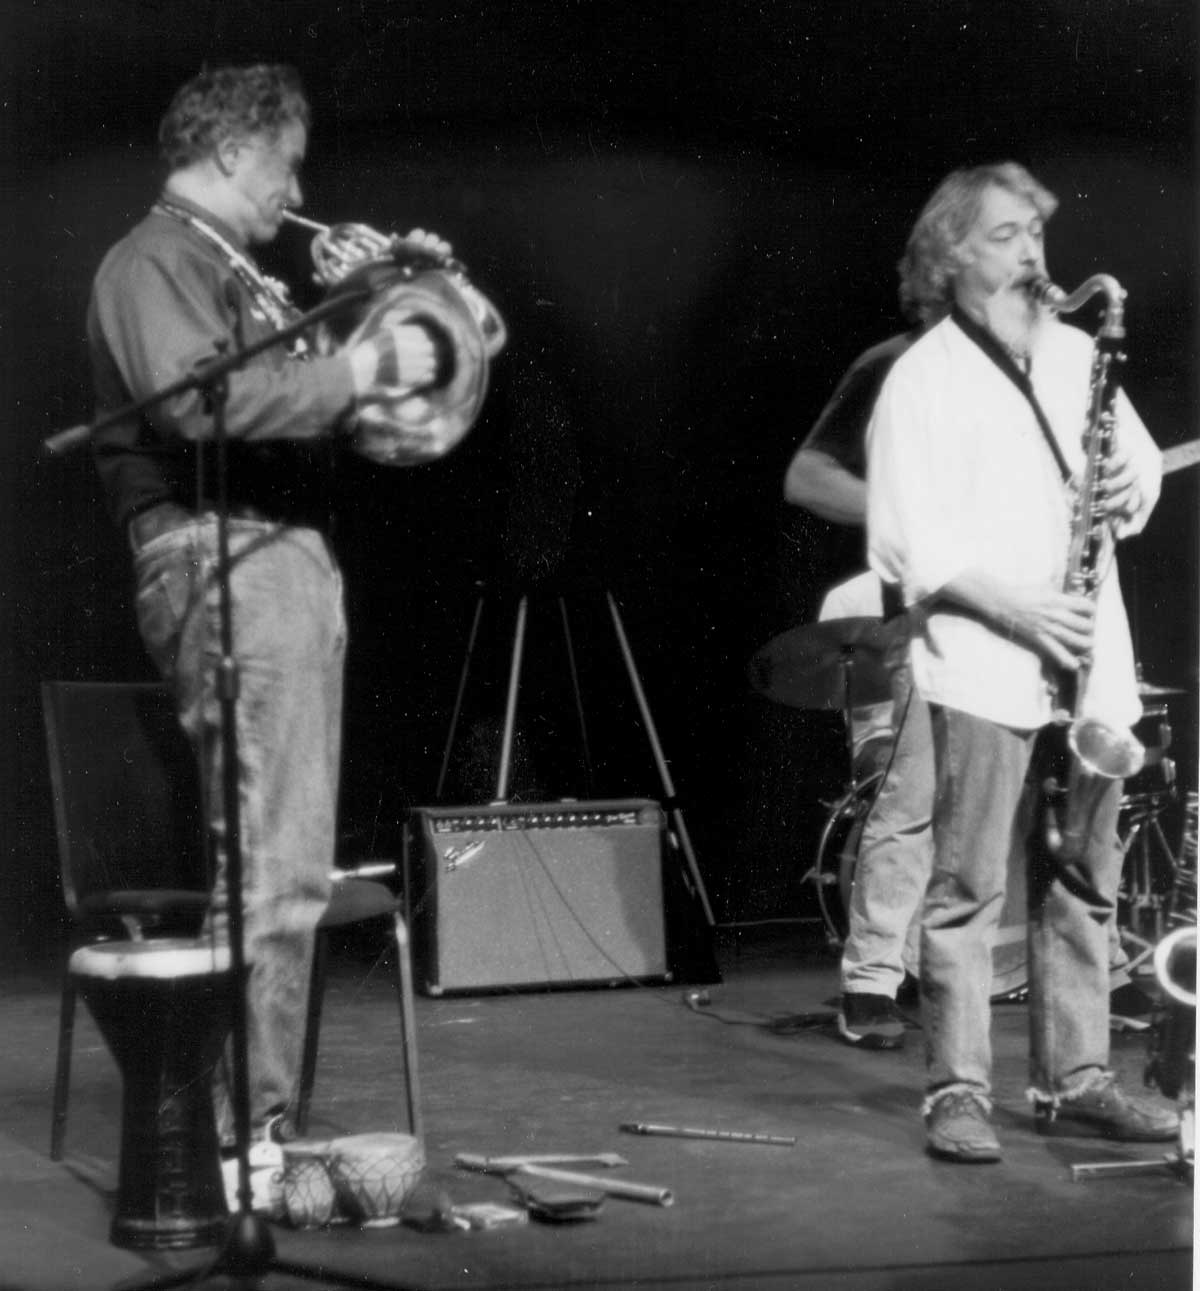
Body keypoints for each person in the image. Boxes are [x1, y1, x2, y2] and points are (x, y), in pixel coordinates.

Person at [85, 65, 458, 1175]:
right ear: (237, 148)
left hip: (277, 560)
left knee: (281, 862)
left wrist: (394, 297)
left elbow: (316, 401)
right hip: (224, 553)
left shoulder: (231, 266)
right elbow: (201, 401)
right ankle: (247, 1138)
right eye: (288, 163)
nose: (297, 189)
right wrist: (363, 360)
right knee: (277, 869)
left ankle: (247, 1125)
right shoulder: (155, 258)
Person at [866, 161, 1177, 1161]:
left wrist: (1134, 478)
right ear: (950, 255)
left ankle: (1076, 1076)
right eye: (1005, 234)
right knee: (967, 888)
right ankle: (957, 1089)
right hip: (989, 656)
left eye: (1036, 233)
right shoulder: (921, 377)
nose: (1033, 253)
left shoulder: (1082, 352)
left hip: (1090, 664)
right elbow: (907, 541)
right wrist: (1021, 610)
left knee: (1088, 877)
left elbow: (1137, 492)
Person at [785, 312, 931, 1050]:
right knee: (909, 797)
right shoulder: (898, 358)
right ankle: (872, 980)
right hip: (927, 604)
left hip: (1015, 608)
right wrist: (925, 520)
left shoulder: (1040, 360)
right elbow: (806, 475)